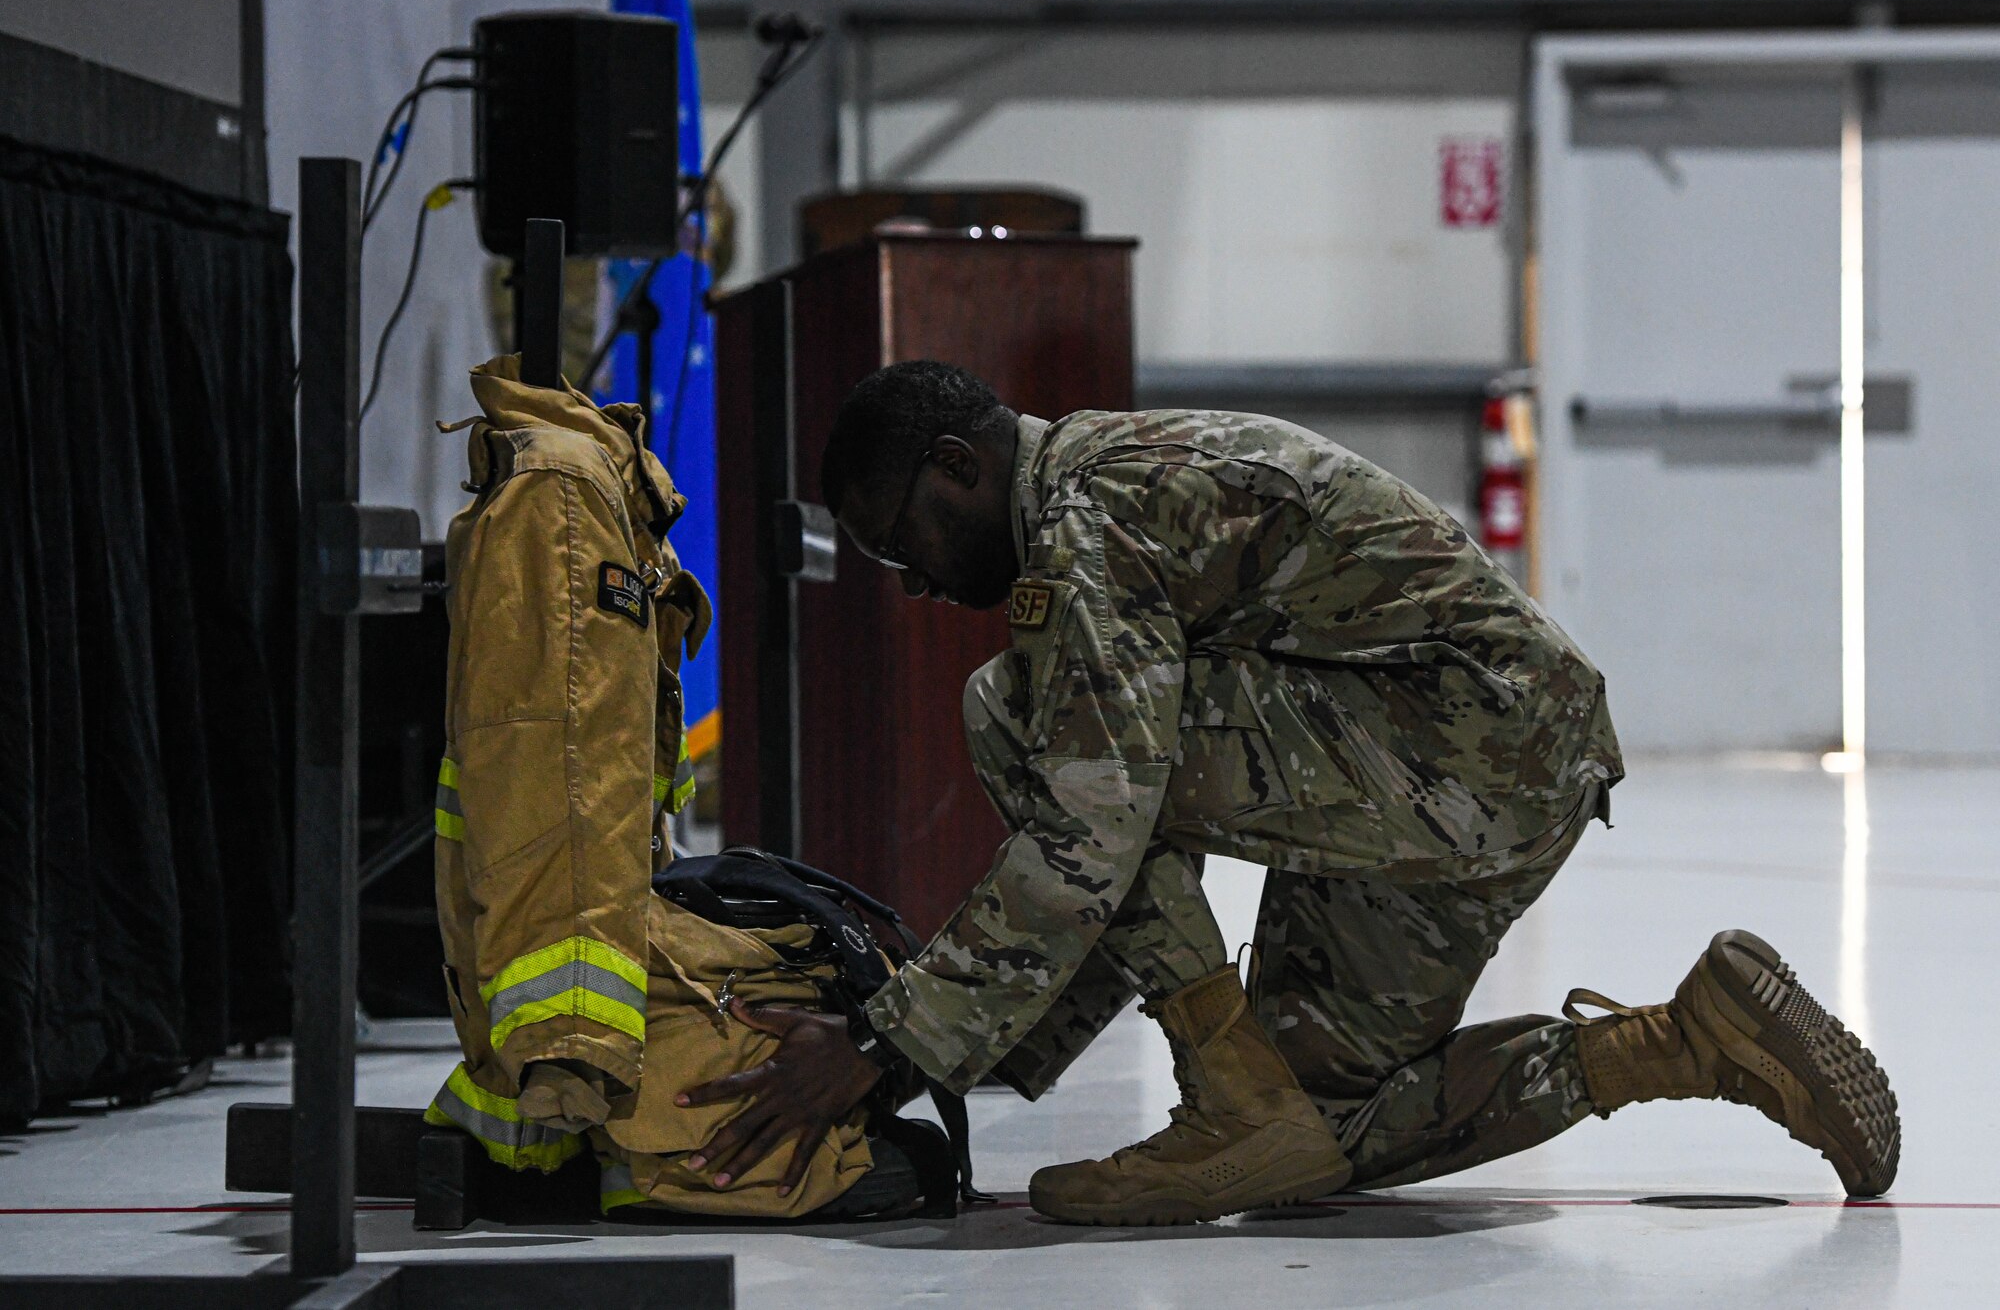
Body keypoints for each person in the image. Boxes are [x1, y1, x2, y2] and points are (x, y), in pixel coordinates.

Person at [676, 360, 1900, 1225]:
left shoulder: (1085, 514)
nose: (919, 586)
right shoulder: (1098, 490)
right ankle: (1684, 1040)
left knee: (1014, 709)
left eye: (907, 542)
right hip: (1485, 765)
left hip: (1460, 742)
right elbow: (1122, 854)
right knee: (1312, 1138)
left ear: (957, 463)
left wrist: (890, 1041)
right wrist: (962, 1056)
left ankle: (1225, 1094)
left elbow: (1095, 829)